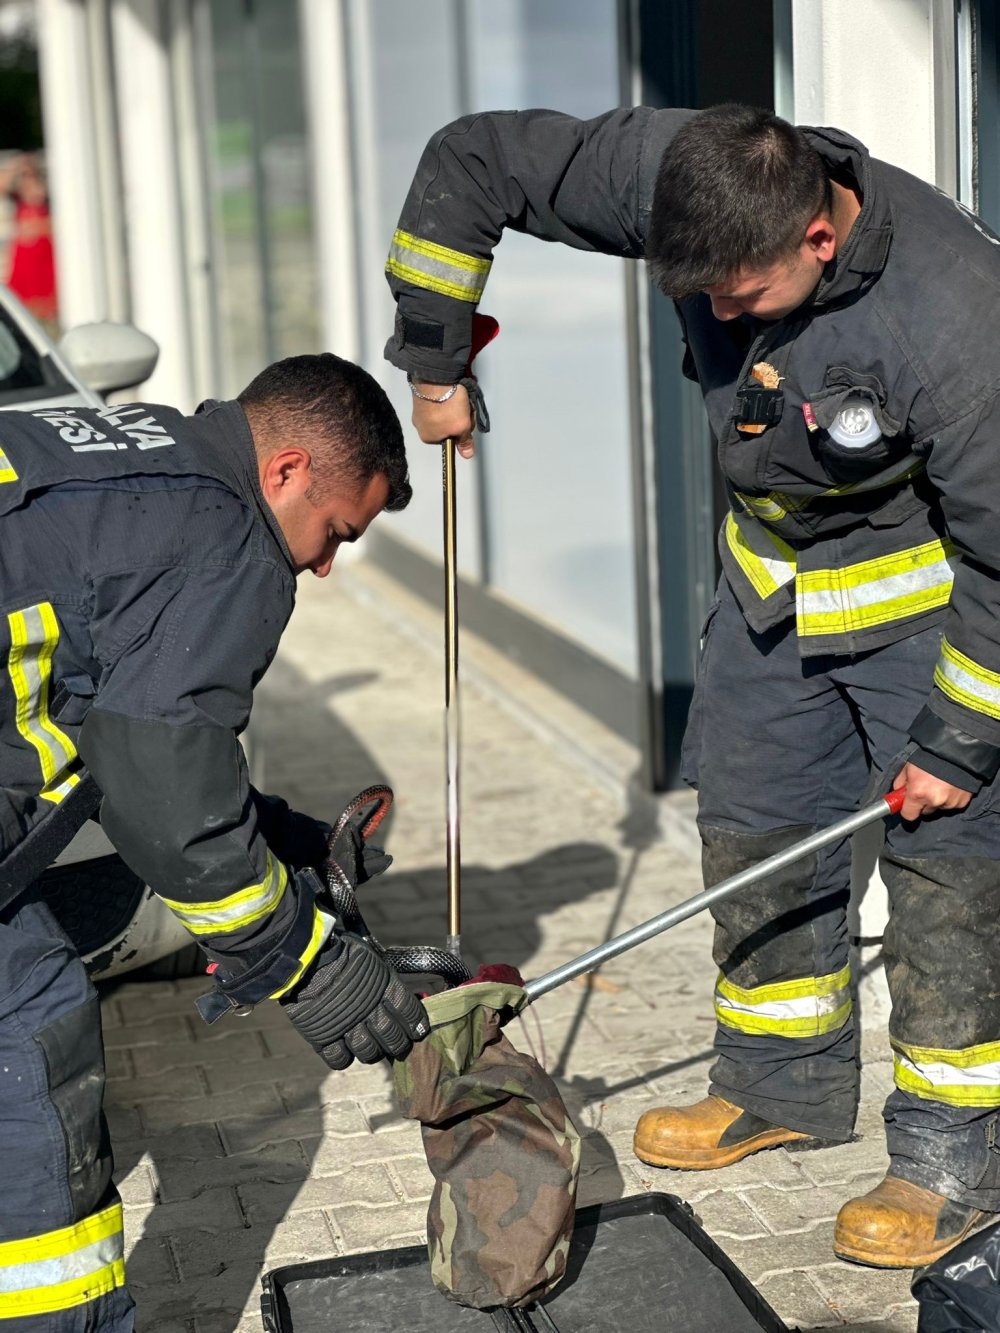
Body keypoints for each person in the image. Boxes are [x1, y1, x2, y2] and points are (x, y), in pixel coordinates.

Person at [382, 103, 1000, 1269]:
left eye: (742, 294)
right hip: (771, 585)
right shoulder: (682, 175)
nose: (719, 318)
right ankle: (779, 1083)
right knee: (753, 825)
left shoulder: (959, 317)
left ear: (819, 238)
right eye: (699, 291)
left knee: (949, 881)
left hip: (930, 601)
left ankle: (952, 1155)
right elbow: (472, 158)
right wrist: (434, 353)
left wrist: (960, 741)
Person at [0, 353, 429, 1329]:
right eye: (333, 533)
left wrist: (283, 840)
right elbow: (167, 795)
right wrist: (309, 964)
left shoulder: (139, 455)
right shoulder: (230, 539)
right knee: (30, 1035)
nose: (322, 565)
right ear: (284, 472)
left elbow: (120, 729)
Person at [1, 152, 58, 327]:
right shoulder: (17, 199)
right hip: (25, 262)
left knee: (47, 312)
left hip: (43, 260)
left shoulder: (48, 199)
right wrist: (18, 167)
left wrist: (37, 227)